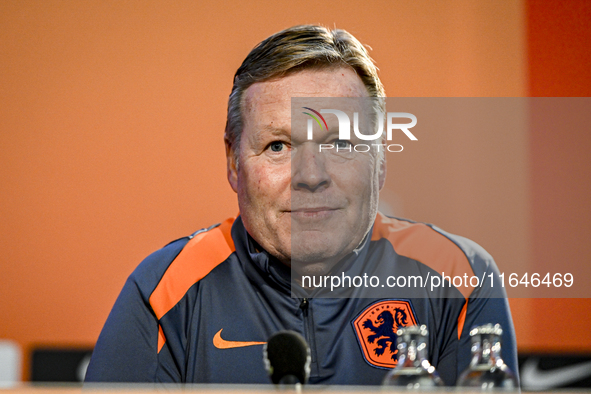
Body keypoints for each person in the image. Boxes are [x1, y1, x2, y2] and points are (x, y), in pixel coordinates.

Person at [84, 25, 518, 385]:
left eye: (341, 143)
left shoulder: (459, 277)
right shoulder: (164, 290)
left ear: (380, 163)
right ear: (234, 163)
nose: (311, 175)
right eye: (278, 146)